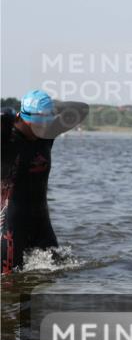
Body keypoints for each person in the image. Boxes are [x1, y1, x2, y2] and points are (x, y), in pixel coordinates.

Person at [2, 90, 89, 273]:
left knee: (57, 273)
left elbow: (82, 109)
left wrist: (53, 105)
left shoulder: (47, 134)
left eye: (46, 123)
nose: (41, 129)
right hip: (10, 227)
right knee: (9, 284)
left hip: (41, 222)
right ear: (22, 116)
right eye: (37, 124)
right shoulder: (6, 138)